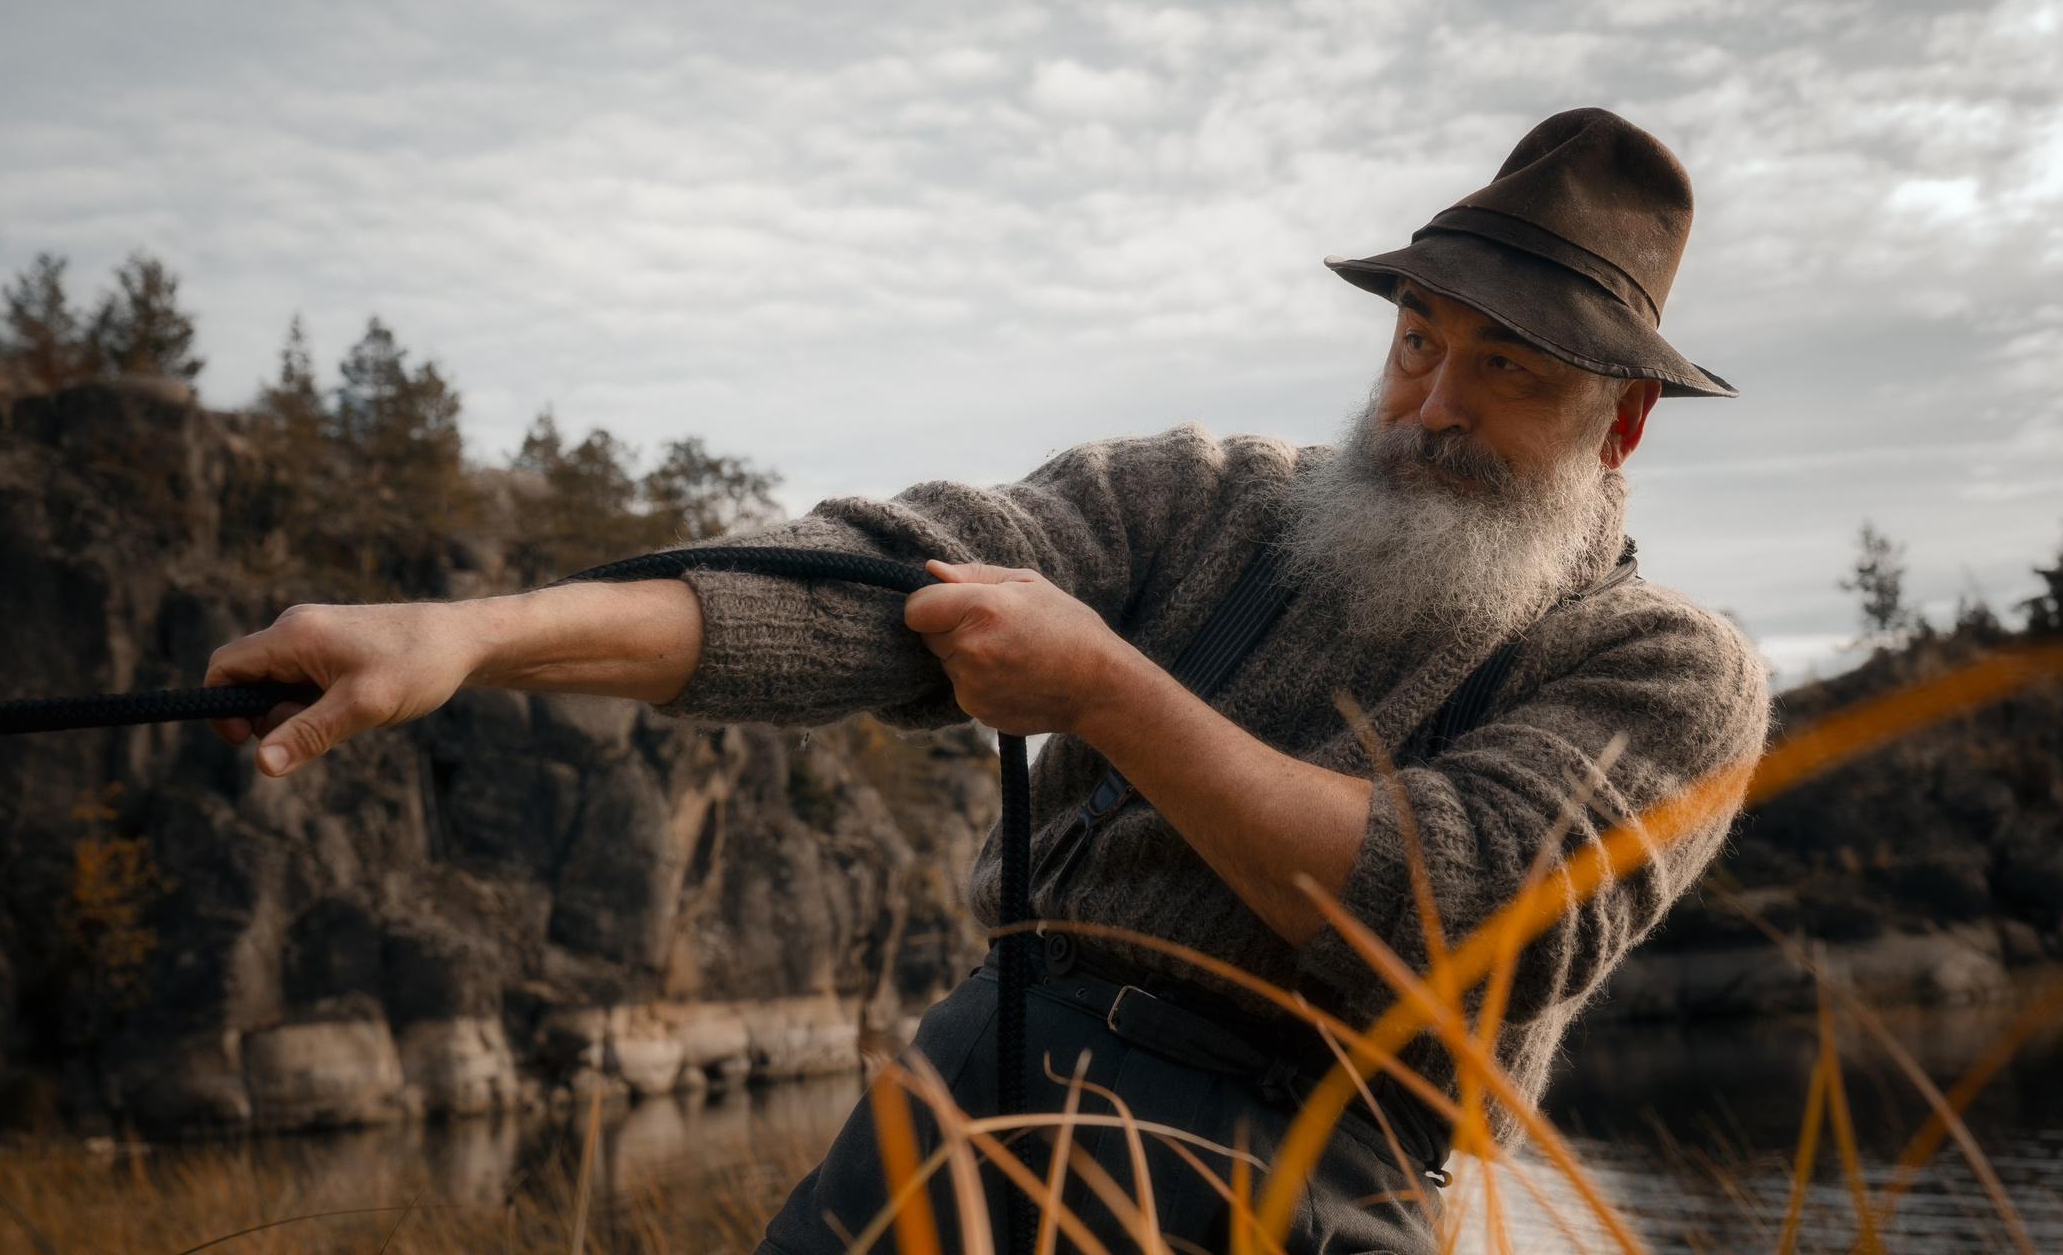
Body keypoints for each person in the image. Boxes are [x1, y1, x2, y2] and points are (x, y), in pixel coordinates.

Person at [205, 107, 1772, 1254]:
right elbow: (874, 584)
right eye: (1419, 343)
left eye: (1510, 372)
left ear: (1621, 422)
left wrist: (1103, 694)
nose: (1432, 404)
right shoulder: (1205, 498)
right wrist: (469, 638)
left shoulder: (1672, 672)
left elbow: (1450, 908)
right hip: (966, 1098)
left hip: (1302, 1195)